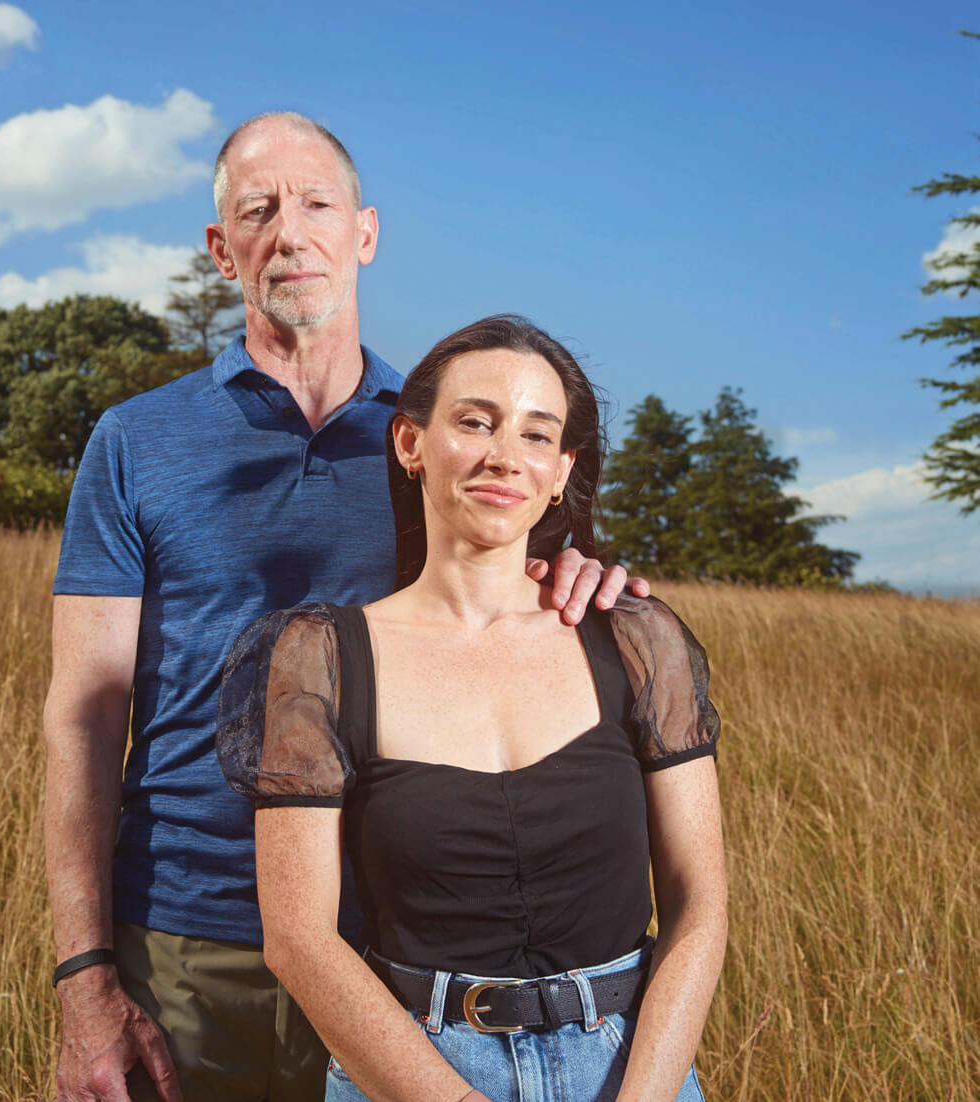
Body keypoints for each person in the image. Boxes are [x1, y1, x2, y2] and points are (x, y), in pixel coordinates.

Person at [43, 114, 643, 1102]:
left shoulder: (448, 439)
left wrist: (588, 576)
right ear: (220, 247)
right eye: (257, 209)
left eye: (317, 204)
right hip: (189, 945)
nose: (291, 231)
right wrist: (84, 974)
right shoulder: (133, 442)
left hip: (398, 948)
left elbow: (526, 597)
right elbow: (85, 711)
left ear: (365, 233)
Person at [218, 315, 726, 1102]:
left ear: (562, 470)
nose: (503, 456)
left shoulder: (633, 638)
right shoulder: (321, 659)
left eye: (535, 434)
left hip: (631, 1069)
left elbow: (700, 908)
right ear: (410, 444)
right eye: (475, 421)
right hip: (414, 1072)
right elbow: (298, 939)